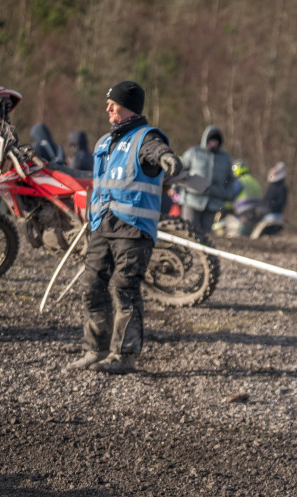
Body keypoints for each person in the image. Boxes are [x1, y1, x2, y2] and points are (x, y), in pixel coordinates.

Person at [66, 81, 182, 375]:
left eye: (113, 104)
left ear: (128, 106)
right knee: (91, 287)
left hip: (133, 230)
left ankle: (124, 355)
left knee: (123, 290)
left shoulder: (146, 137)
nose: (107, 108)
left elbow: (157, 151)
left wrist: (167, 158)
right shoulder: (104, 142)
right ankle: (96, 349)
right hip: (102, 226)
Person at [178, 125, 236, 236]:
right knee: (188, 232)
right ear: (206, 140)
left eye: (216, 141)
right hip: (191, 200)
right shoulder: (193, 153)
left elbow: (231, 180)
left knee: (205, 235)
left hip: (213, 202)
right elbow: (180, 171)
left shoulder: (225, 158)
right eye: (211, 140)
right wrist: (176, 188)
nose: (213, 143)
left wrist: (226, 194)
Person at [230, 159, 265, 236]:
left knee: (240, 233)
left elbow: (230, 194)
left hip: (244, 210)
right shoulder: (254, 181)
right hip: (258, 210)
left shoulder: (240, 181)